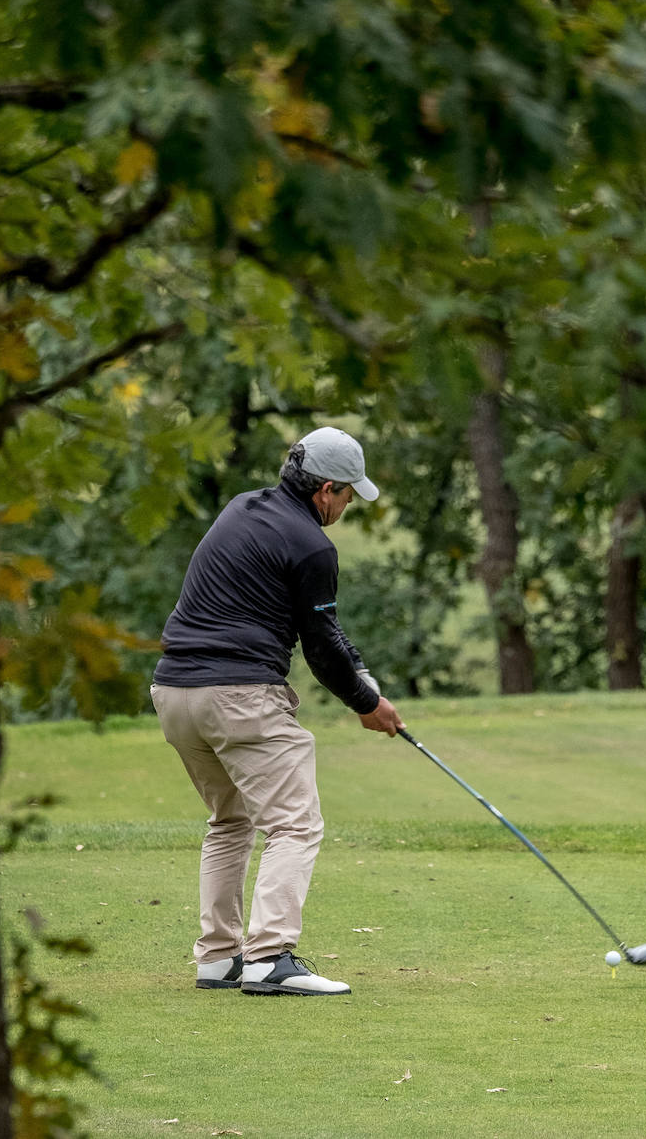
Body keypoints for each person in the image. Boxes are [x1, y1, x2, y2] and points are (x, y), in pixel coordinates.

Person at [151, 426, 404, 997]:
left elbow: (326, 629)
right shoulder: (313, 545)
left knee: (230, 821)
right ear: (326, 490)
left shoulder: (242, 508)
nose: (345, 508)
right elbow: (319, 647)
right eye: (346, 497)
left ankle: (218, 959)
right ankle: (268, 957)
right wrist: (367, 704)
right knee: (295, 823)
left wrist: (363, 680)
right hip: (238, 696)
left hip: (173, 694)